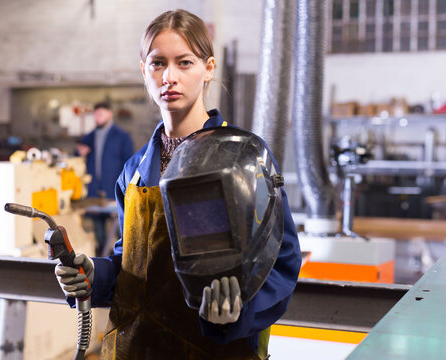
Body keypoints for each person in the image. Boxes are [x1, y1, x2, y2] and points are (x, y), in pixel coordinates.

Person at [56, 9, 301, 359]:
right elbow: (133, 264)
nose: (169, 77)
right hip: (134, 348)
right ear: (144, 70)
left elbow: (282, 262)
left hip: (212, 350)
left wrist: (238, 312)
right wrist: (97, 275)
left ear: (209, 68)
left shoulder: (242, 159)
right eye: (158, 63)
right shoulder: (135, 171)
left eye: (184, 62)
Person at [76, 101, 134, 256]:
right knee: (99, 231)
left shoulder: (122, 136)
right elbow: (76, 157)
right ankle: (105, 261)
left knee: (121, 230)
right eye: (95, 115)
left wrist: (127, 188)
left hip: (115, 189)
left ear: (110, 114)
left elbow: (130, 163)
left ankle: (126, 258)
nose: (97, 118)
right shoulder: (89, 136)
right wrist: (79, 152)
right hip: (95, 191)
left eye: (101, 114)